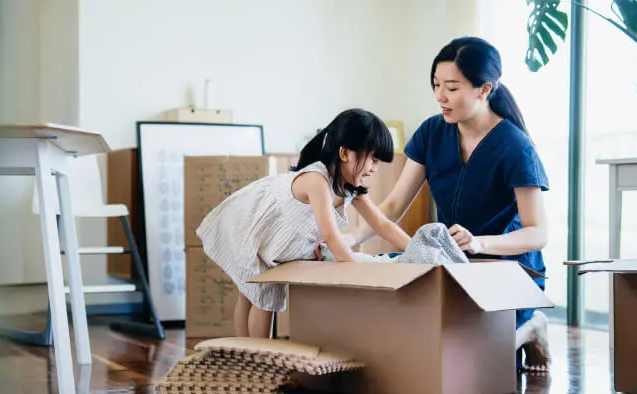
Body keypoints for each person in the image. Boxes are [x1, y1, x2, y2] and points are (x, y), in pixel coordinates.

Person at [341, 37, 551, 371]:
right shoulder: (431, 133)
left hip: (508, 271)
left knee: (473, 366)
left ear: (485, 89)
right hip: (453, 263)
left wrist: (480, 242)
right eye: (436, 85)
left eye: (452, 88)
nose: (440, 96)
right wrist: (348, 240)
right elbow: (393, 205)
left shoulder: (515, 146)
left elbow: (536, 233)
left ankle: (532, 325)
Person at [196, 108, 412, 339]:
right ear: (345, 153)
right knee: (259, 298)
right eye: (373, 160)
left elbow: (381, 223)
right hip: (250, 226)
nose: (374, 169)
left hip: (273, 244)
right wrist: (354, 270)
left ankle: (246, 353)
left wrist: (414, 247)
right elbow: (330, 235)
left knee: (256, 295)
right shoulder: (316, 180)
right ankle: (252, 354)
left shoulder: (351, 189)